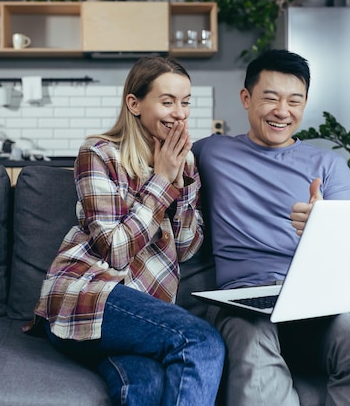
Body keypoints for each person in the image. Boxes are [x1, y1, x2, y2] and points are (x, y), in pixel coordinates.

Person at [192, 49, 350, 406]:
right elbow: (148, 157)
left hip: (317, 302)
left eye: (295, 101)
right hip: (244, 299)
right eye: (270, 98)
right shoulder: (211, 153)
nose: (282, 111)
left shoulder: (330, 165)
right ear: (246, 98)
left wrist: (324, 232)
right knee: (251, 338)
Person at [24, 55, 225, 406]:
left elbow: (186, 247)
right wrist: (161, 181)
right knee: (201, 342)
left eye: (186, 102)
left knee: (145, 385)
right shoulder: (98, 153)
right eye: (167, 102)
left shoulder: (185, 161)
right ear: (134, 103)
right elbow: (115, 251)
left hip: (140, 309)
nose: (180, 113)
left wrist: (183, 185)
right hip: (87, 295)